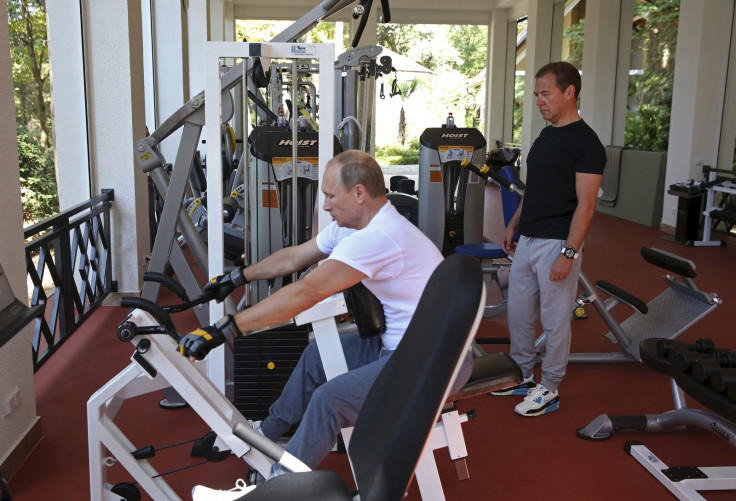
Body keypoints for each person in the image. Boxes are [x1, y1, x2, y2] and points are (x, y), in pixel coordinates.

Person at [177, 150, 473, 485]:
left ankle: (274, 486)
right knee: (315, 356)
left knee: (329, 400)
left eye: (331, 196)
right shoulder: (354, 227)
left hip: (435, 361)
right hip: (405, 344)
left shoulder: (379, 237)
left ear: (359, 193)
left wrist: (226, 328)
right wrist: (238, 277)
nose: (327, 206)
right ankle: (265, 438)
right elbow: (293, 257)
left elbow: (306, 292)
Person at [491, 61, 605, 417]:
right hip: (528, 239)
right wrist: (513, 224)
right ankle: (522, 375)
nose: (538, 101)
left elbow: (586, 207)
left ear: (569, 92)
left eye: (545, 93)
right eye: (537, 94)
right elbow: (534, 190)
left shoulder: (587, 144)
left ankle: (550, 387)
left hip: (557, 242)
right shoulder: (545, 135)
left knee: (555, 320)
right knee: (519, 312)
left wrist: (568, 254)